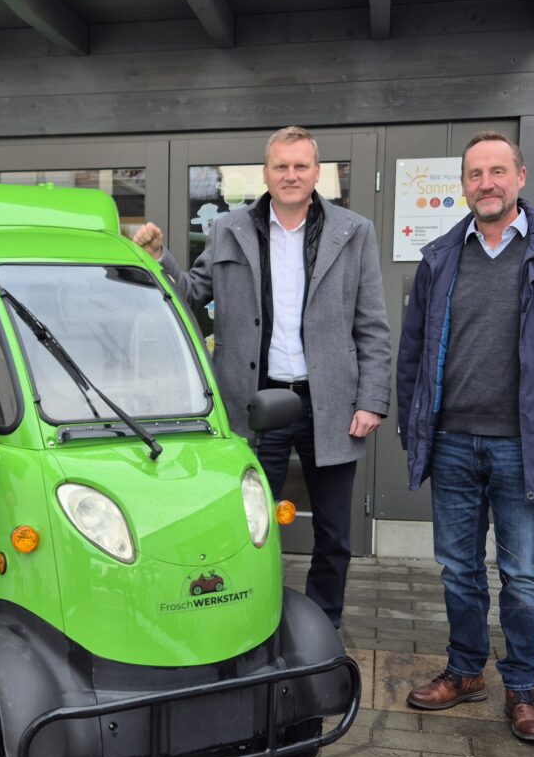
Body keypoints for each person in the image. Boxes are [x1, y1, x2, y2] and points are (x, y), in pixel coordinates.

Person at [396, 132, 534, 743]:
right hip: (452, 441)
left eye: (498, 171)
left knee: (521, 574)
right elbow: (412, 352)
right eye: (475, 174)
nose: (486, 183)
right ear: (463, 184)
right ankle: (466, 670)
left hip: (526, 443)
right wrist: (410, 423)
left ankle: (523, 687)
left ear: (521, 177)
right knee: (458, 569)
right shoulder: (442, 255)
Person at [132, 126, 391, 628]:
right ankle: (254, 622)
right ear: (266, 173)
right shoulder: (231, 228)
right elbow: (189, 294)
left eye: (300, 166)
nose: (291, 176)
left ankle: (321, 629)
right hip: (255, 403)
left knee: (335, 532)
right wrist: (159, 258)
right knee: (245, 525)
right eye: (281, 167)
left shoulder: (352, 231)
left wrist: (372, 398)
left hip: (330, 403)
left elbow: (372, 323)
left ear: (318, 173)